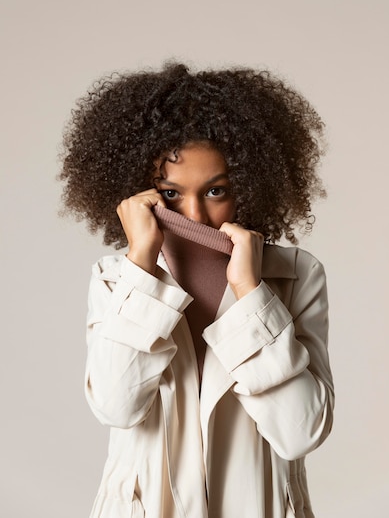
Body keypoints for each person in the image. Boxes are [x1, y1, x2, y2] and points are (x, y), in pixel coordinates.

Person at [59, 62, 334, 518]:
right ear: (139, 193)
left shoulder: (295, 275)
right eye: (170, 194)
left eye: (215, 190)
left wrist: (249, 292)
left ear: (249, 185)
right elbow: (116, 407)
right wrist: (142, 263)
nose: (193, 216)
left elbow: (300, 433)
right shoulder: (115, 278)